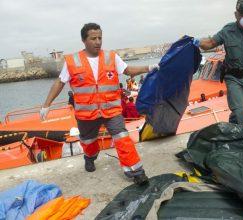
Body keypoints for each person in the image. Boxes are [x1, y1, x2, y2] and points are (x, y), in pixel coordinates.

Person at [39, 23, 159, 185]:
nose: (98, 42)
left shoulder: (111, 57)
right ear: (84, 40)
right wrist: (46, 105)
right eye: (93, 38)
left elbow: (128, 70)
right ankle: (90, 158)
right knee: (89, 143)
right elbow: (60, 83)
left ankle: (136, 172)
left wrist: (149, 67)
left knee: (123, 138)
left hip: (111, 110)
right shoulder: (72, 61)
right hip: (87, 114)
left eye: (100, 38)